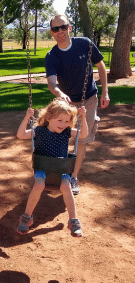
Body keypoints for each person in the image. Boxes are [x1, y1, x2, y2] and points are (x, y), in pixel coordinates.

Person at [45, 14, 110, 195]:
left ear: (70, 28)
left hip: (88, 98)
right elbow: (51, 83)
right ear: (51, 33)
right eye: (56, 29)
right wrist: (60, 94)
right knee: (63, 135)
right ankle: (61, 173)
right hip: (66, 103)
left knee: (82, 139)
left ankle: (73, 177)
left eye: (63, 27)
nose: (60, 32)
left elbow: (101, 66)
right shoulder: (52, 56)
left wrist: (105, 92)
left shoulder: (85, 44)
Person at [16, 98, 88, 237]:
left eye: (67, 121)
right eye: (60, 120)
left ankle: (73, 220)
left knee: (66, 186)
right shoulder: (39, 131)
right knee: (38, 185)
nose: (63, 124)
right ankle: (27, 217)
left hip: (61, 169)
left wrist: (83, 117)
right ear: (49, 118)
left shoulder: (67, 132)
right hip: (42, 168)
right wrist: (27, 117)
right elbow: (20, 135)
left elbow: (84, 134)